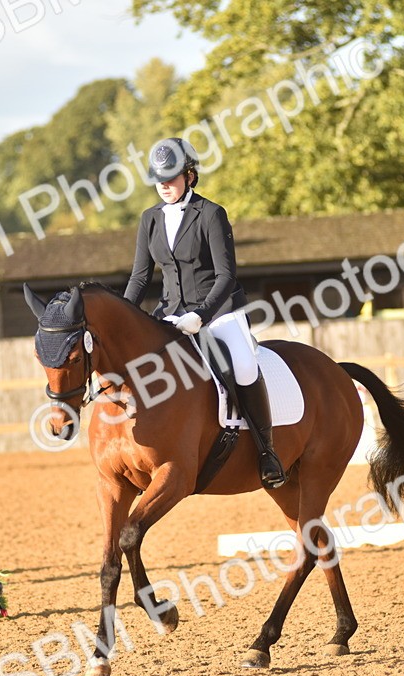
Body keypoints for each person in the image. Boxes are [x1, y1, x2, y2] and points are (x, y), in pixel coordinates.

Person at [123, 137, 287, 488]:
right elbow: (140, 277)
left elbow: (227, 276)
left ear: (190, 176)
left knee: (242, 365)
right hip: (170, 314)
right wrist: (125, 315)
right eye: (158, 179)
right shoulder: (149, 219)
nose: (164, 185)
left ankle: (266, 452)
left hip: (218, 311)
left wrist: (201, 314)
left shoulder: (211, 213)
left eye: (171, 177)